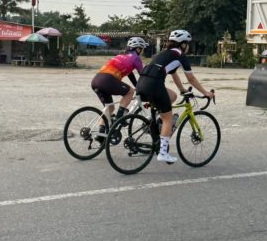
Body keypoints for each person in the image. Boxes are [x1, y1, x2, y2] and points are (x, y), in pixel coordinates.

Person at [136, 29, 214, 163]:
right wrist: (205, 92)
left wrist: (182, 89)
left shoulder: (165, 53)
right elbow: (191, 78)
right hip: (154, 85)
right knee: (168, 118)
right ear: (182, 44)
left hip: (141, 84)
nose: (188, 47)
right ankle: (163, 153)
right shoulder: (180, 56)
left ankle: (153, 123)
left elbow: (173, 74)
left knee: (172, 96)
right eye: (187, 44)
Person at [90, 36, 148, 140]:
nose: (142, 51)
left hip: (96, 80)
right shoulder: (136, 58)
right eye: (142, 49)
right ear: (138, 49)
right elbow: (143, 75)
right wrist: (143, 87)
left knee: (109, 108)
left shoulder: (121, 55)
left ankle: (101, 134)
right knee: (130, 92)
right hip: (108, 80)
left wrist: (137, 85)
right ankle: (119, 118)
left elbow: (130, 74)